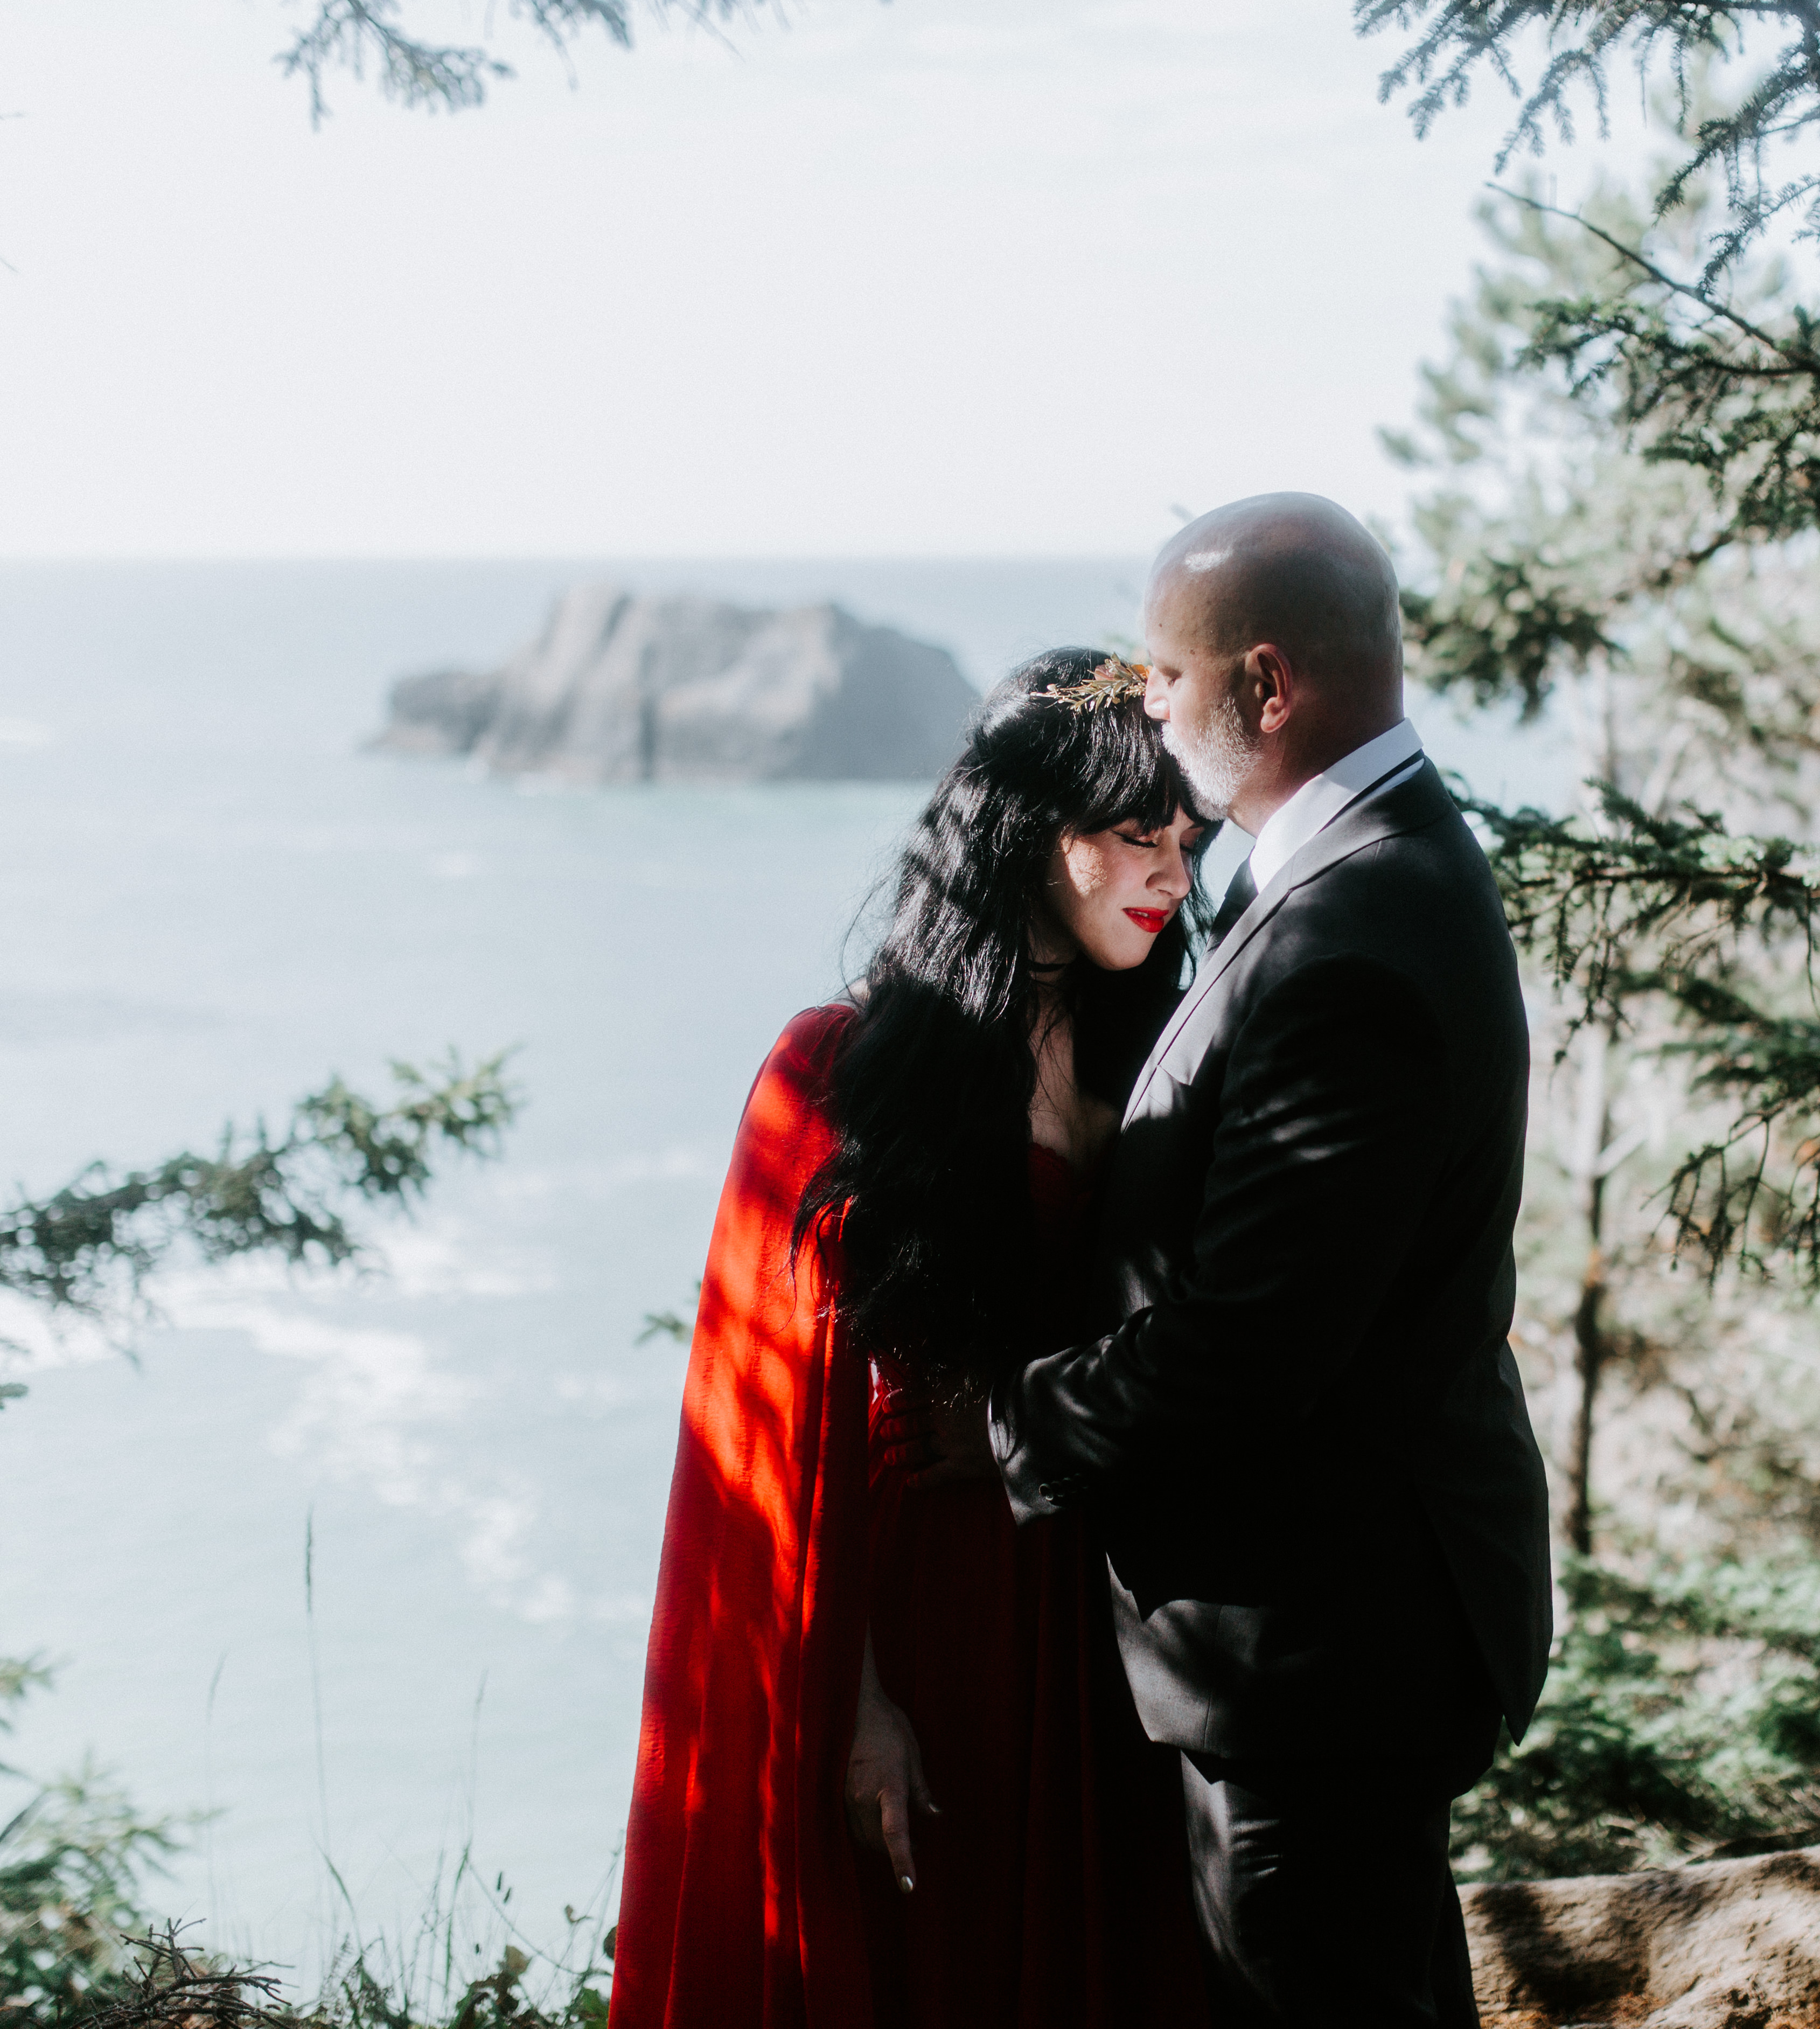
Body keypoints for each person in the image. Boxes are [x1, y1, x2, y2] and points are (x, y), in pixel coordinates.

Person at [986, 495, 1556, 2027]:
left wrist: (1010, 1424)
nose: (1151, 721)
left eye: (1164, 685)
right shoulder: (1371, 857)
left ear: (1267, 684)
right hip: (1346, 1613)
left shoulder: (1354, 928)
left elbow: (1254, 1335)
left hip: (1319, 1642)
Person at [608, 650, 1219, 2029]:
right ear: (1027, 828)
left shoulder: (1177, 1043)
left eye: (1188, 836)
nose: (1173, 871)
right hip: (926, 1602)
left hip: (1114, 1599)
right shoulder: (838, 1066)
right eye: (1138, 833)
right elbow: (769, 1429)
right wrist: (856, 1699)